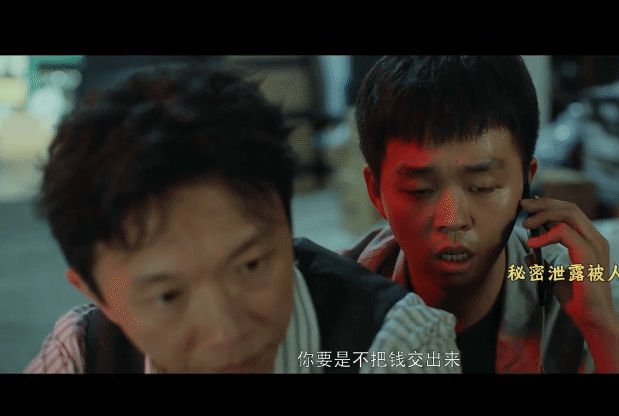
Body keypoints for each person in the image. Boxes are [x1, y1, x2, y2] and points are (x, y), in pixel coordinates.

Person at [24, 63, 459, 374]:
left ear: (289, 229)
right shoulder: (80, 354)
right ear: (97, 294)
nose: (225, 332)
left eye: (250, 266)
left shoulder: (399, 346)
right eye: (167, 296)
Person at [342, 56, 619, 373]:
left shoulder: (592, 308)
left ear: (525, 183)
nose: (453, 219)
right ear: (376, 191)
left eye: (482, 187)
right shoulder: (335, 301)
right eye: (420, 191)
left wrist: (601, 329)